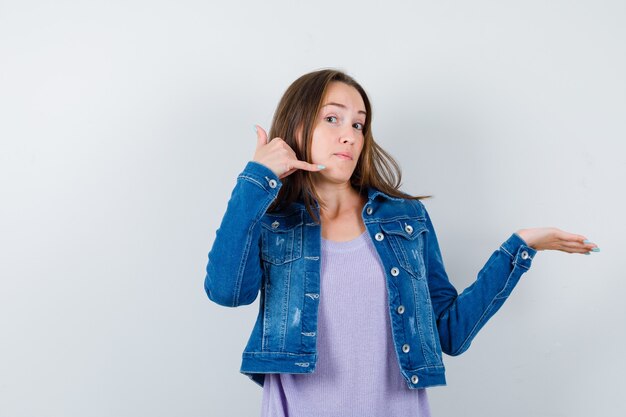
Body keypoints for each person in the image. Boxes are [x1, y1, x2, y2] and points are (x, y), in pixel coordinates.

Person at [204, 69, 599, 417]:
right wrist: (257, 178)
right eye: (332, 118)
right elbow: (227, 291)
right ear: (296, 129)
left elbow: (450, 333)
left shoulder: (405, 220)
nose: (349, 135)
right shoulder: (273, 221)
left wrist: (519, 248)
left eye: (359, 124)